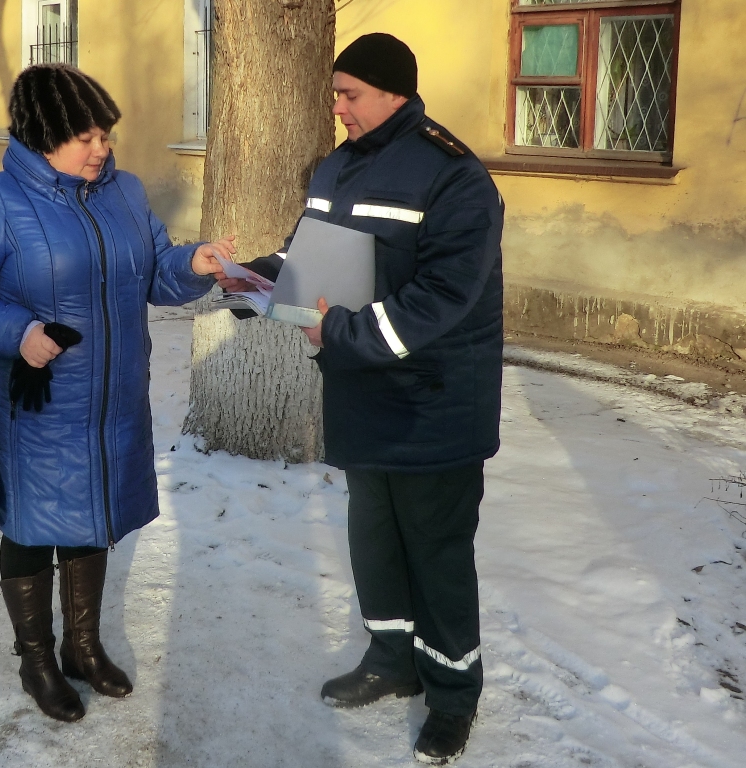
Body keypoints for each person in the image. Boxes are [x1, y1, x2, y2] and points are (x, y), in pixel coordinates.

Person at [221, 34, 503, 764]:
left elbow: (442, 298)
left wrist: (337, 333)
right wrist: (251, 281)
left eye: (349, 93)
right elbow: (304, 256)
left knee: (436, 554)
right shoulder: (337, 167)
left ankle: (451, 696)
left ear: (392, 93)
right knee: (374, 539)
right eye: (335, 93)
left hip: (432, 402)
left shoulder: (455, 178)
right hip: (360, 395)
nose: (336, 106)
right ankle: (390, 660)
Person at [0, 63, 234, 723]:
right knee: (36, 528)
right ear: (42, 136)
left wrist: (195, 263)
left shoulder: (122, 192)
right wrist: (19, 331)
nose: (102, 149)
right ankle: (37, 658)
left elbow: (156, 274)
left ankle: (83, 649)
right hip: (37, 407)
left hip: (112, 401)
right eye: (85, 137)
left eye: (105, 135)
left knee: (92, 518)